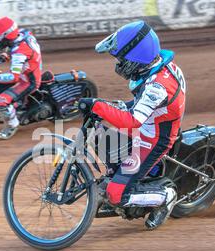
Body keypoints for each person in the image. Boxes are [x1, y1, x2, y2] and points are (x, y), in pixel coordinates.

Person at [78, 21, 187, 230]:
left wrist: (99, 106)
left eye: (121, 58)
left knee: (116, 194)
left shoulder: (157, 86)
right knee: (98, 135)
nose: (118, 63)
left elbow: (132, 121)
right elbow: (139, 108)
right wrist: (111, 106)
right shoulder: (155, 67)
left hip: (153, 139)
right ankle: (122, 177)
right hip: (150, 120)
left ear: (136, 57)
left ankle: (166, 196)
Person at [0, 17, 43, 140]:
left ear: (4, 36)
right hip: (29, 70)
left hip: (28, 81)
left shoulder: (20, 52)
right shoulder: (22, 34)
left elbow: (13, 77)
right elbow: (17, 50)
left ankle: (12, 126)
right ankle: (18, 105)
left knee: (1, 101)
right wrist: (4, 57)